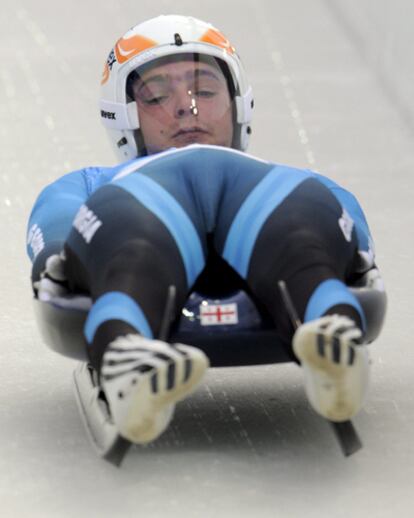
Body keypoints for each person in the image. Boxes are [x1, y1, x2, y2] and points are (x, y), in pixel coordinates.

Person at [26, 15, 384, 445]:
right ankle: (126, 352)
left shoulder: (279, 178)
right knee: (133, 241)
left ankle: (332, 331)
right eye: (157, 95)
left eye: (205, 90)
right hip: (145, 198)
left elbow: (342, 213)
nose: (185, 106)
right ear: (124, 118)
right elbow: (55, 212)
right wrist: (60, 255)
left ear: (237, 104)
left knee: (299, 228)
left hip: (253, 193)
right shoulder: (97, 182)